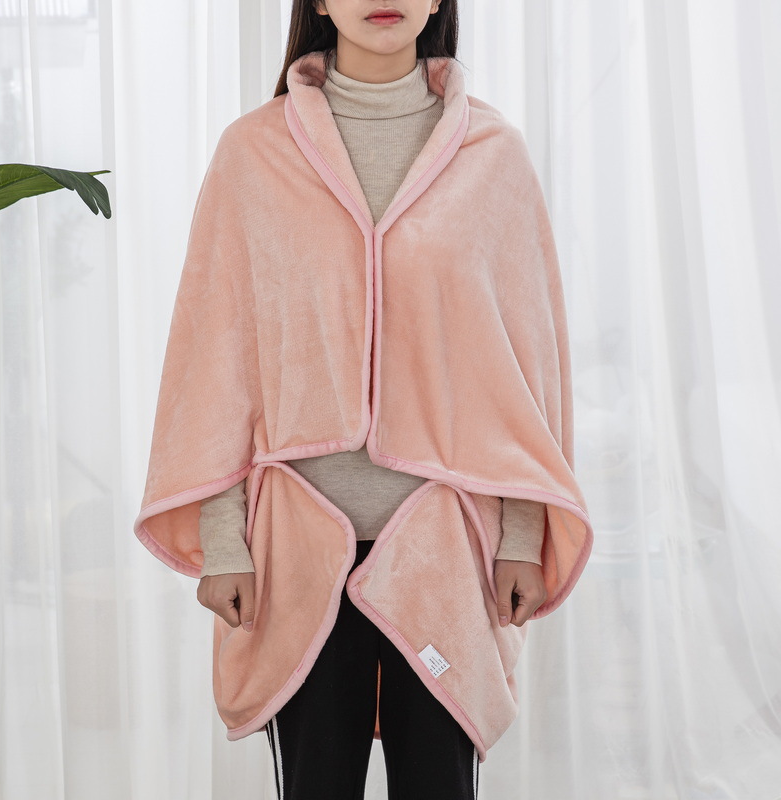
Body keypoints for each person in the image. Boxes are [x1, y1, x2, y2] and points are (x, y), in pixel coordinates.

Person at [134, 0, 594, 797]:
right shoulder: (253, 155)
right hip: (296, 551)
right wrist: (223, 540)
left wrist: (522, 535)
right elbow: (216, 358)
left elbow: (525, 365)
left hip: (448, 550)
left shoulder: (495, 156)